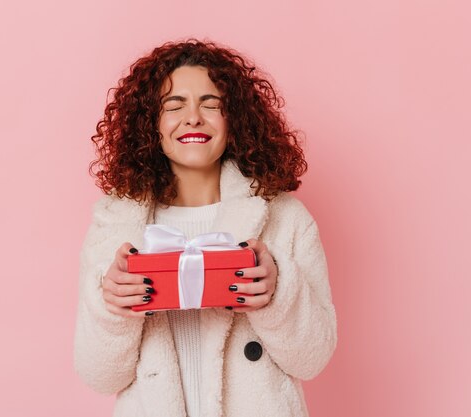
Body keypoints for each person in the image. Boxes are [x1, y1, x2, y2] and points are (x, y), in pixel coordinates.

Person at [73, 39, 337, 417]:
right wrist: (112, 307)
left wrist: (277, 291)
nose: (193, 117)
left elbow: (313, 359)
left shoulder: (286, 218)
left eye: (211, 104)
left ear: (236, 120)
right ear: (150, 123)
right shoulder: (114, 223)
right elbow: (99, 377)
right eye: (173, 105)